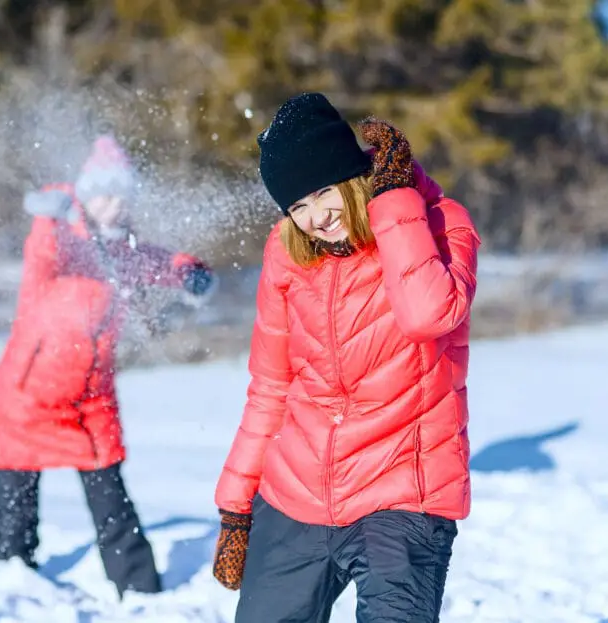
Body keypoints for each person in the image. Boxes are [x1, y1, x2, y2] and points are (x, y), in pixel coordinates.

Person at [211, 93, 480, 623]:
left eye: (321, 192)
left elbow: (430, 315)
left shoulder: (437, 222)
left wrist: (396, 197)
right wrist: (236, 504)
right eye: (296, 206)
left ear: (352, 176)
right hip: (296, 494)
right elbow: (271, 386)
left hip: (402, 494)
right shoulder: (286, 251)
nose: (314, 217)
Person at [0, 134, 216, 598]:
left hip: (90, 401)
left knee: (113, 501)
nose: (112, 206)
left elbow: (159, 261)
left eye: (121, 197)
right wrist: (62, 206)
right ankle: (2, 590)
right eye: (102, 195)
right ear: (87, 195)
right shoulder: (60, 241)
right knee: (15, 514)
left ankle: (142, 590)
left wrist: (188, 269)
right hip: (27, 397)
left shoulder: (124, 252)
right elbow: (44, 250)